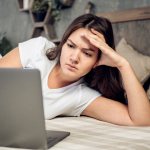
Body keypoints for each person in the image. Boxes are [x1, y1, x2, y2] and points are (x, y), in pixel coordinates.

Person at [0, 14, 150, 126]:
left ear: (97, 61)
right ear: (63, 44)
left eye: (87, 53)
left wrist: (122, 64)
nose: (74, 58)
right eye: (71, 46)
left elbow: (141, 120)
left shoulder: (81, 96)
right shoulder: (38, 49)